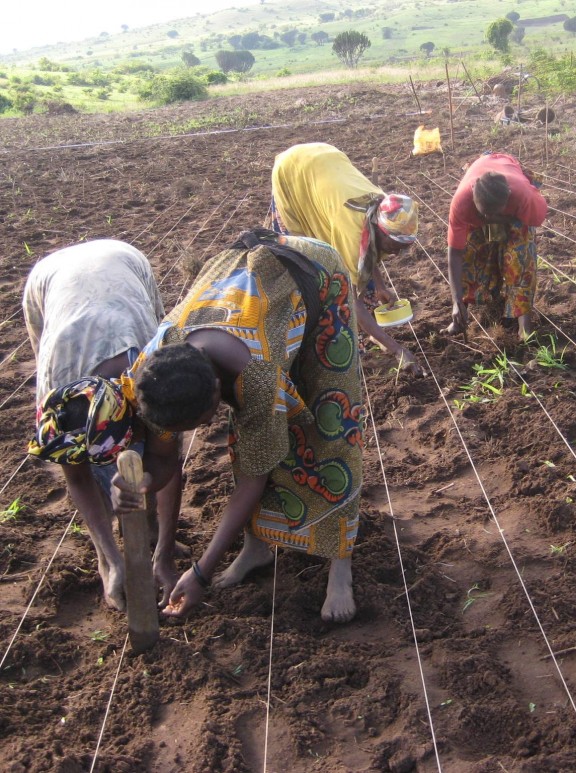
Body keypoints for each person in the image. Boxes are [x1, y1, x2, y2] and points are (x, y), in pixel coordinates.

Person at [115, 229, 363, 623]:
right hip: (242, 281)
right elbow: (163, 457)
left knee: (329, 421)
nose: (202, 427)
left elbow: (254, 477)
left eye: (201, 420)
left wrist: (201, 572)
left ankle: (340, 566)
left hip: (315, 277)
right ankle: (256, 547)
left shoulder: (258, 378)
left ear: (218, 390)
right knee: (245, 441)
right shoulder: (156, 368)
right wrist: (144, 484)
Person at [23, 239, 183, 611]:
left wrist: (164, 555)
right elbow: (75, 476)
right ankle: (108, 558)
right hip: (47, 280)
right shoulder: (58, 396)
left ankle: (157, 531)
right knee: (97, 482)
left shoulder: (152, 373)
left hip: (123, 262)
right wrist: (110, 560)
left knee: (153, 453)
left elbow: (169, 457)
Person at [270, 141, 423, 375]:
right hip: (295, 170)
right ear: (380, 229)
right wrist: (396, 349)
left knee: (357, 276)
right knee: (304, 260)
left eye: (405, 246)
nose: (399, 252)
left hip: (329, 159)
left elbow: (369, 251)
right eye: (396, 245)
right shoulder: (352, 233)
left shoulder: (385, 207)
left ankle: (372, 330)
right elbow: (350, 298)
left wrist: (380, 285)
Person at [445, 151, 548, 340]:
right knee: (470, 253)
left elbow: (535, 222)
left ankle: (524, 325)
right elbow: (455, 254)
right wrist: (455, 300)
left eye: (494, 215)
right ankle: (459, 316)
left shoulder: (524, 197)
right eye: (485, 215)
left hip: (513, 209)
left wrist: (507, 219)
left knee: (520, 256)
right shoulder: (462, 202)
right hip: (483, 183)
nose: (490, 220)